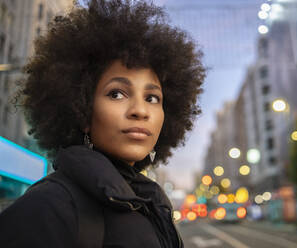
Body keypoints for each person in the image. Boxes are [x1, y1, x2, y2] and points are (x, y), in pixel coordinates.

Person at [0, 0, 205, 247]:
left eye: (152, 98)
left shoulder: (151, 204)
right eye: (117, 93)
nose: (141, 111)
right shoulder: (46, 210)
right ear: (83, 110)